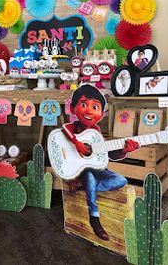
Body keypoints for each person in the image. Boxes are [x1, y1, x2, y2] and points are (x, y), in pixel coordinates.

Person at [62, 84, 140, 241]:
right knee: (89, 176)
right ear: (72, 108)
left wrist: (124, 150)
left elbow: (109, 153)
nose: (89, 111)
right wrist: (76, 143)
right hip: (80, 170)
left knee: (121, 180)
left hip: (97, 168)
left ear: (101, 114)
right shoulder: (73, 127)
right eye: (83, 105)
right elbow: (64, 128)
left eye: (95, 107)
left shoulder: (96, 133)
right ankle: (94, 217)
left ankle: (84, 186)